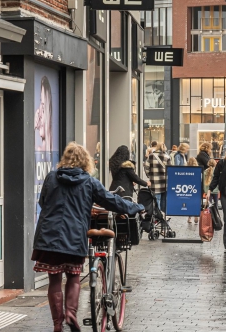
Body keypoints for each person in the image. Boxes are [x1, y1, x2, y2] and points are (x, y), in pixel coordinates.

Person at [32, 142, 144, 332]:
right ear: (86, 162)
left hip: (48, 236)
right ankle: (71, 313)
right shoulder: (89, 181)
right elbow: (112, 202)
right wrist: (136, 207)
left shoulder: (52, 177)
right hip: (74, 236)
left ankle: (57, 324)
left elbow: (43, 202)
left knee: (54, 280)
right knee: (74, 276)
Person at [144, 143, 169, 212]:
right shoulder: (167, 157)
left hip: (154, 182)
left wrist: (150, 175)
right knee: (164, 200)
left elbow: (146, 167)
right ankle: (163, 216)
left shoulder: (151, 156)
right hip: (165, 183)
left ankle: (157, 216)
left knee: (156, 200)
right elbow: (170, 170)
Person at [187, 157, 200, 224]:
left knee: (189, 203)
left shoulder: (186, 169)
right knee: (196, 202)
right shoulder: (197, 169)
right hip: (196, 188)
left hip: (189, 188)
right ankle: (196, 215)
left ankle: (189, 218)